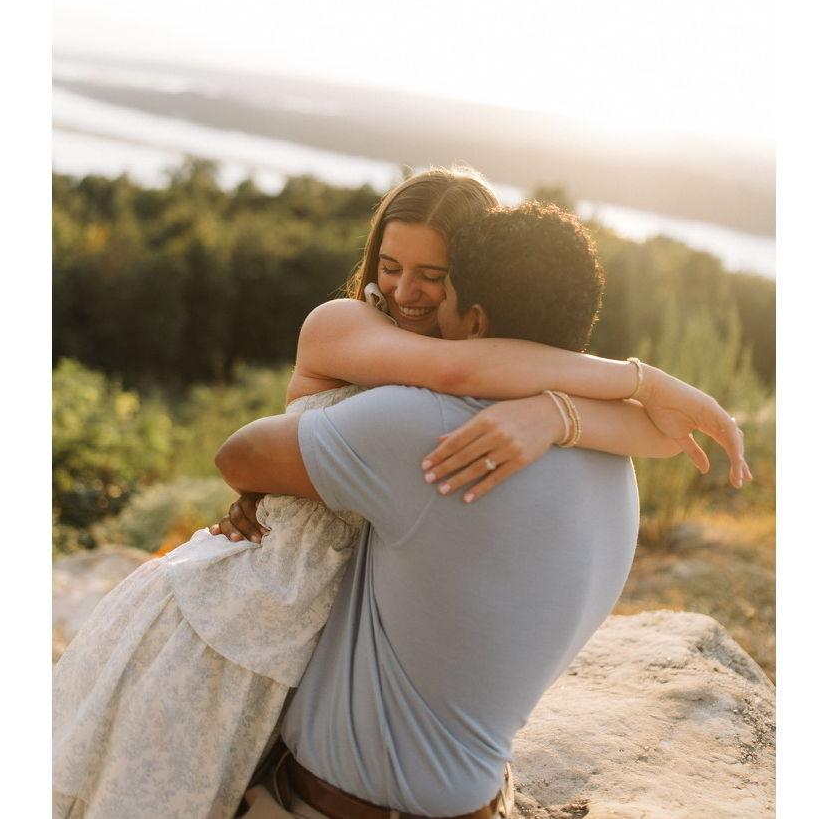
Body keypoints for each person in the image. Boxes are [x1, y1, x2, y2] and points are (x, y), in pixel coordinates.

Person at [52, 168, 748, 819]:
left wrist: (554, 412)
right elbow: (457, 371)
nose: (406, 292)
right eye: (389, 266)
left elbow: (490, 379)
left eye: (433, 276)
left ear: (471, 294)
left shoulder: (466, 408)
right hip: (247, 620)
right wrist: (642, 382)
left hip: (322, 653)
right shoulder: (349, 327)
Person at [216, 202, 704, 819]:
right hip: (477, 800)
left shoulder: (433, 428)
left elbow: (240, 455)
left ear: (474, 319)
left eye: (440, 287)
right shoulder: (614, 457)